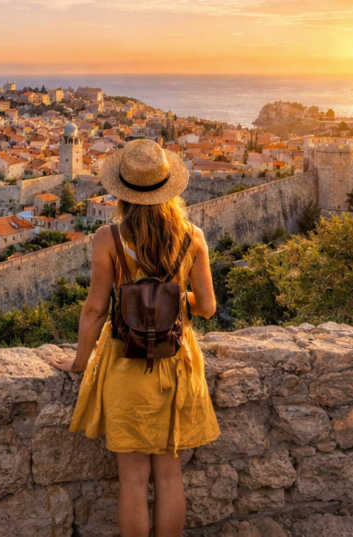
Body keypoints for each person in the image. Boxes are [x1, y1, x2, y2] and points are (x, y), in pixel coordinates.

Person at [51, 139, 220, 536]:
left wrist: (79, 363)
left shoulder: (109, 238)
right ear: (168, 189)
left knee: (131, 480)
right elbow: (208, 307)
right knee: (169, 475)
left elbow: (94, 309)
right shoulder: (192, 237)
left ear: (122, 192)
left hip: (127, 361)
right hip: (177, 360)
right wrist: (171, 296)